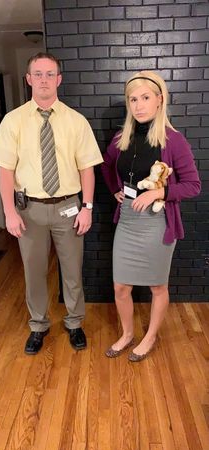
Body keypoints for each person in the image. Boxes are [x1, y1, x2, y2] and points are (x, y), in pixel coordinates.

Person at [0, 52, 103, 355]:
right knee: (34, 270)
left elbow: (87, 169)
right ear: (28, 79)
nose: (43, 79)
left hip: (69, 206)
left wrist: (88, 208)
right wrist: (9, 212)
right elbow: (5, 171)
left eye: (49, 74)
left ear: (59, 79)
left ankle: (75, 323)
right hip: (30, 209)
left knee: (72, 269)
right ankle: (38, 325)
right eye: (37, 74)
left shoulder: (76, 121)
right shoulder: (13, 121)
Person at [101, 70, 201, 362]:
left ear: (159, 100)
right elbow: (107, 167)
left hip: (158, 224)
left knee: (158, 285)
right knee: (121, 286)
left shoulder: (174, 140)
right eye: (133, 99)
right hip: (129, 221)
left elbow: (193, 185)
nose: (139, 105)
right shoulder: (122, 137)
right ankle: (128, 333)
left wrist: (158, 193)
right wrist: (115, 190)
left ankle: (150, 336)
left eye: (145, 98)